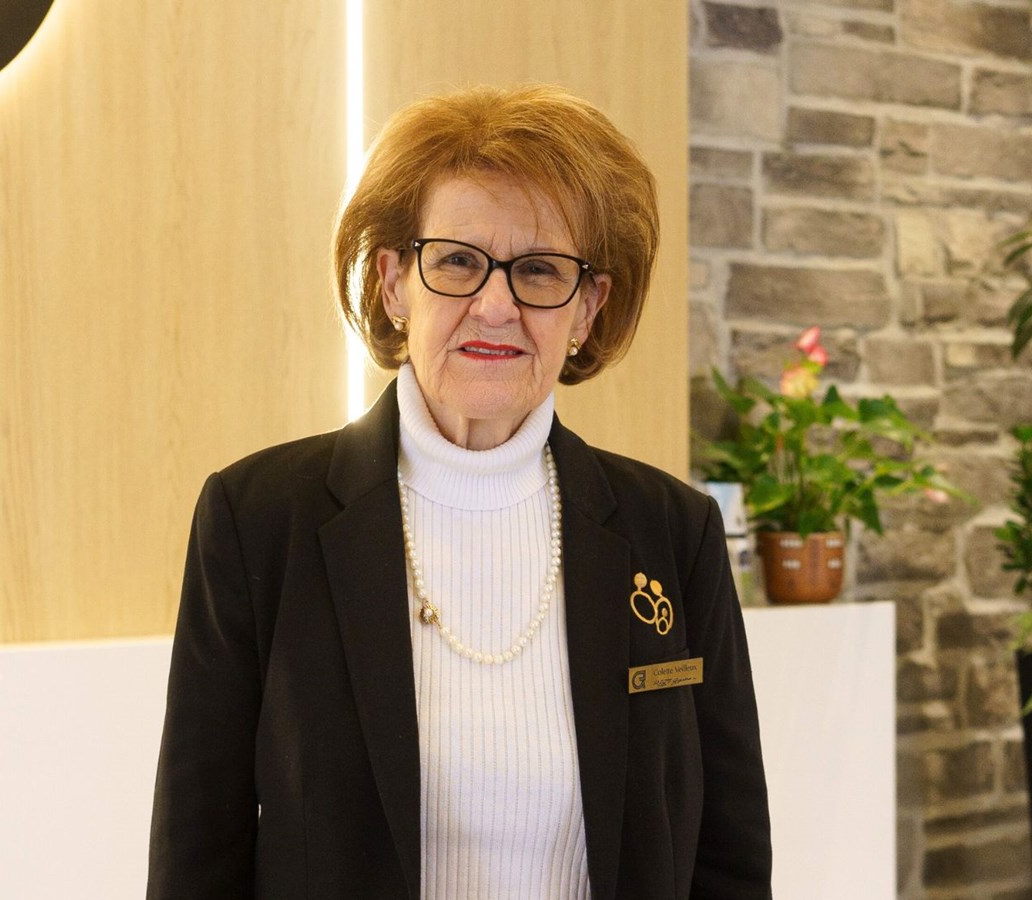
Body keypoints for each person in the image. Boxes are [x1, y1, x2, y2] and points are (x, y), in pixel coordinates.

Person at [147, 85, 772, 900]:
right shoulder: (258, 520)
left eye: (539, 269)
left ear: (588, 309)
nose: (495, 305)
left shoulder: (674, 533)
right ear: (393, 284)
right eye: (456, 261)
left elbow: (728, 855)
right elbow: (198, 850)